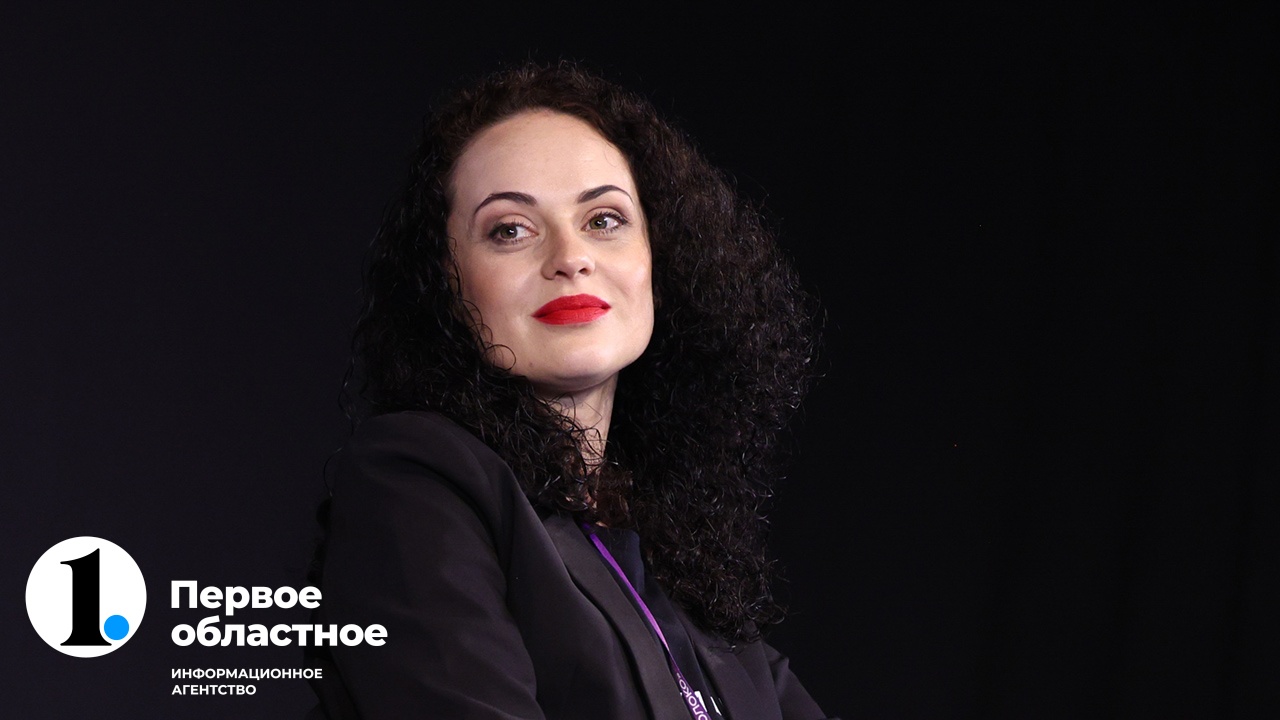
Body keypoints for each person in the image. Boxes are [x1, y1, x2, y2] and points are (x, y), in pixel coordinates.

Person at [306, 61, 833, 720]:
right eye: (510, 230)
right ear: (445, 282)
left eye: (604, 219)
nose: (570, 257)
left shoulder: (670, 548)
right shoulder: (414, 481)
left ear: (661, 258)